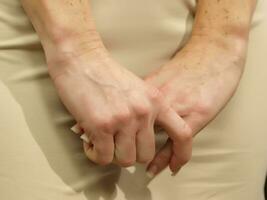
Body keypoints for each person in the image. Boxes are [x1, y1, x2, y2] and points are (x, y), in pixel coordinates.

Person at [0, 0, 266, 199]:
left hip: (223, 22)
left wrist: (221, 40)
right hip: (37, 24)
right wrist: (74, 49)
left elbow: (224, 37)